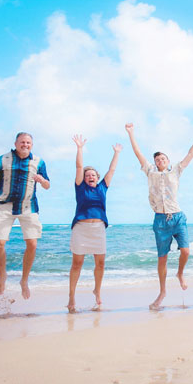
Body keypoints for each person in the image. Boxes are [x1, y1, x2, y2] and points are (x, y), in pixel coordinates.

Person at [126, 122, 193, 309]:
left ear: (168, 161)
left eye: (163, 158)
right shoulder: (150, 172)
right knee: (162, 258)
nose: (160, 160)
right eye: (157, 159)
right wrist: (131, 133)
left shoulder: (176, 171)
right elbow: (138, 154)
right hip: (160, 220)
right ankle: (162, 292)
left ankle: (180, 273)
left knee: (185, 251)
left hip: (178, 217)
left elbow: (191, 154)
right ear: (154, 163)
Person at [0, 132, 51, 299]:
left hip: (28, 206)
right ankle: (2, 275)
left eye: (28, 142)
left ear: (31, 145)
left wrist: (42, 180)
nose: (25, 145)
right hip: (4, 205)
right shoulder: (2, 159)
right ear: (16, 143)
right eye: (22, 142)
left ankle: (24, 280)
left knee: (32, 244)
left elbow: (48, 185)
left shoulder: (39, 162)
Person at [67, 134, 121, 313]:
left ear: (97, 177)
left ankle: (97, 291)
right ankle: (71, 297)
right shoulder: (80, 187)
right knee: (77, 264)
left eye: (93, 175)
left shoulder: (102, 187)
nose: (90, 176)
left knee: (100, 264)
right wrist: (79, 148)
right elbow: (79, 166)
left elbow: (111, 171)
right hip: (81, 229)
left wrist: (117, 153)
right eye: (87, 175)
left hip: (98, 229)